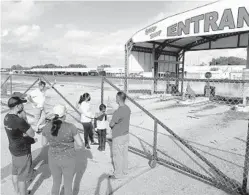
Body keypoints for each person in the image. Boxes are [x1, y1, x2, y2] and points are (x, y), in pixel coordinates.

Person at [41, 104, 84, 195]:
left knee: (56, 183)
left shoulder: (47, 126)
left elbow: (44, 144)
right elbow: (80, 144)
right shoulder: (71, 127)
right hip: (69, 158)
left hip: (53, 158)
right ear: (64, 115)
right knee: (68, 185)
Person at [4, 96, 36, 195]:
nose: (23, 105)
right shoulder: (19, 120)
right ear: (17, 106)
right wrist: (25, 121)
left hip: (13, 148)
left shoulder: (7, 117)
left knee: (15, 172)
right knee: (22, 177)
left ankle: (17, 192)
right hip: (22, 151)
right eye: (22, 104)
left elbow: (16, 131)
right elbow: (32, 133)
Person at [109, 91, 131, 179]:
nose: (115, 99)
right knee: (124, 154)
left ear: (118, 98)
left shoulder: (118, 111)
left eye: (116, 97)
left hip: (118, 136)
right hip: (126, 134)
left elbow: (111, 124)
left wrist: (110, 121)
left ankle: (118, 174)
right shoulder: (127, 108)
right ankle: (125, 170)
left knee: (117, 156)